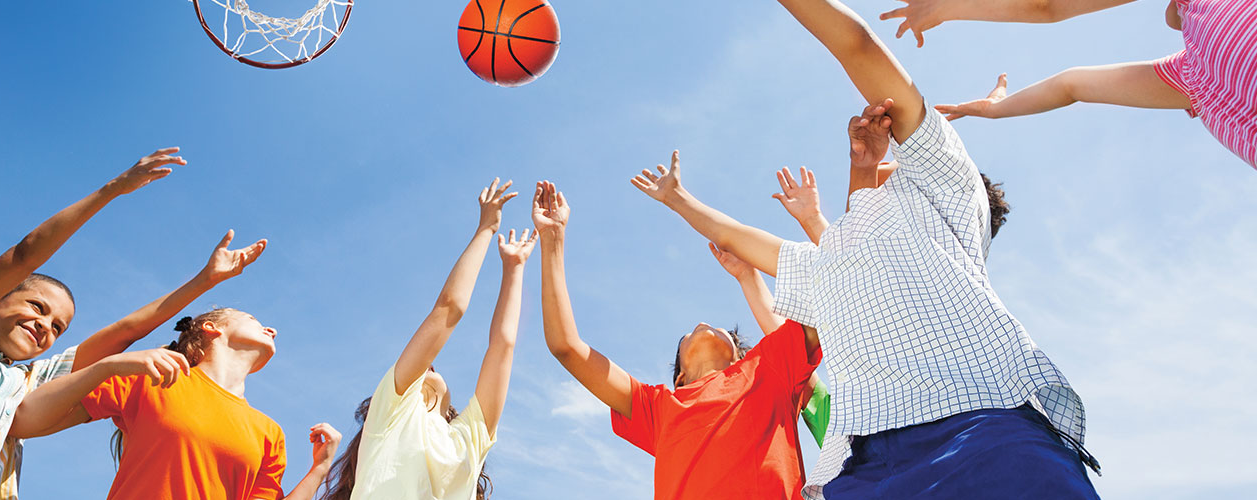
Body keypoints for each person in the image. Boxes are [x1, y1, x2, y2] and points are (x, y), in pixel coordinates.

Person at [629, 0, 1097, 493]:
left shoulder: (952, 194)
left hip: (981, 427)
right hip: (867, 471)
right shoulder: (831, 262)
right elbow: (755, 238)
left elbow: (858, 46)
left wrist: (860, 176)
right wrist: (679, 199)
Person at [0, 148, 265, 499]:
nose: (45, 326)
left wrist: (204, 281)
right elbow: (25, 256)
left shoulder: (30, 380)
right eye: (37, 307)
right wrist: (111, 190)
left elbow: (126, 333)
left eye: (58, 327)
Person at [534, 180, 821, 500]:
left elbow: (830, 287)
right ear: (680, 376)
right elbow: (566, 346)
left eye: (724, 330)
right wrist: (553, 240)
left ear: (739, 357)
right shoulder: (659, 408)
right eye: (686, 335)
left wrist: (752, 270)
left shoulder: (766, 371)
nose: (701, 323)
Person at [319, 179, 529, 500]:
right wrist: (486, 228)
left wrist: (514, 269)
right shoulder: (392, 411)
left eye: (432, 367)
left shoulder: (469, 438)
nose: (427, 365)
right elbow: (448, 309)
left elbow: (502, 348)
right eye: (423, 366)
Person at [8, 299, 340, 500]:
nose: (273, 330)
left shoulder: (269, 433)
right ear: (211, 328)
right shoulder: (153, 376)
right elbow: (25, 421)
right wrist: (107, 367)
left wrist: (320, 468)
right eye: (255, 320)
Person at [880, 0, 1256, 169]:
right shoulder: (1191, 78)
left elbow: (1048, 6)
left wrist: (949, 6)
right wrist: (994, 110)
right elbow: (1071, 86)